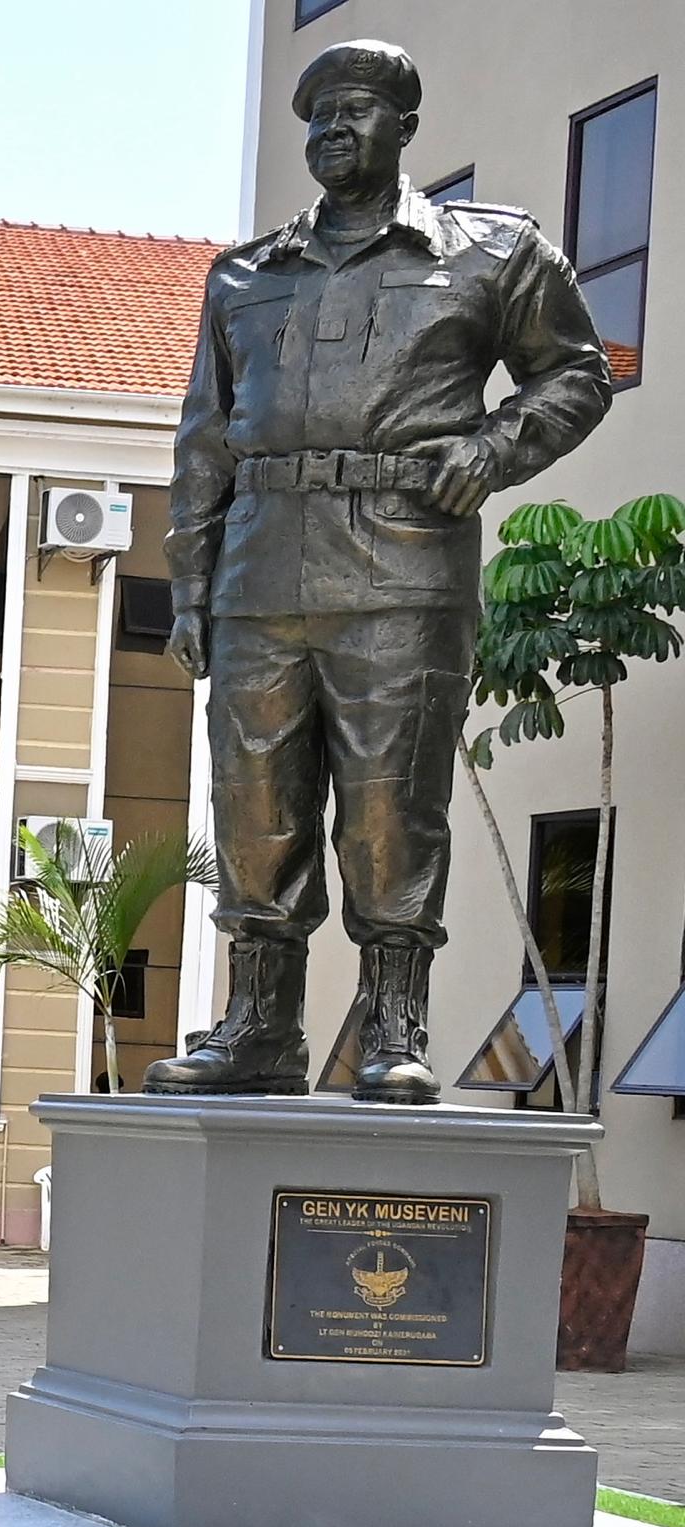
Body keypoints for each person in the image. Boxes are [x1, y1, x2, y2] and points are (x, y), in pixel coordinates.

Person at [153, 36, 611, 1102]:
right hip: (260, 572)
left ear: (403, 127)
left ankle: (390, 1029)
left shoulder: (490, 253)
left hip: (404, 561)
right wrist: (188, 586)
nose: (331, 131)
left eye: (355, 111)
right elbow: (204, 443)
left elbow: (577, 373)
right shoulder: (245, 276)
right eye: (316, 115)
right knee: (255, 807)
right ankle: (259, 1027)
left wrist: (494, 450)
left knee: (388, 807)